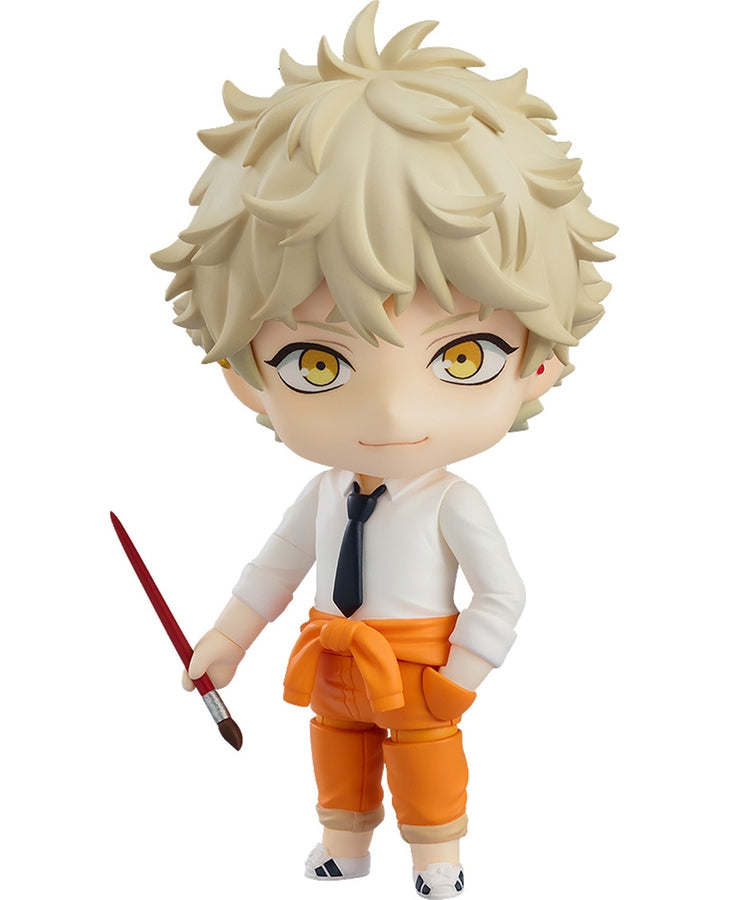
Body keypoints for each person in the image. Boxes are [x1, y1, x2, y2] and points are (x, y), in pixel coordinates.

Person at [151, 4, 616, 896]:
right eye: (317, 363)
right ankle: (344, 842)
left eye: (463, 357)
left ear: (540, 364)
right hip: (329, 655)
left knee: (427, 758)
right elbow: (275, 567)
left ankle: (437, 857)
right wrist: (228, 637)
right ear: (246, 376)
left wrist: (462, 678)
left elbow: (503, 592)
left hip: (420, 662)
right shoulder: (327, 494)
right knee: (336, 750)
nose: (396, 411)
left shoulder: (450, 503)